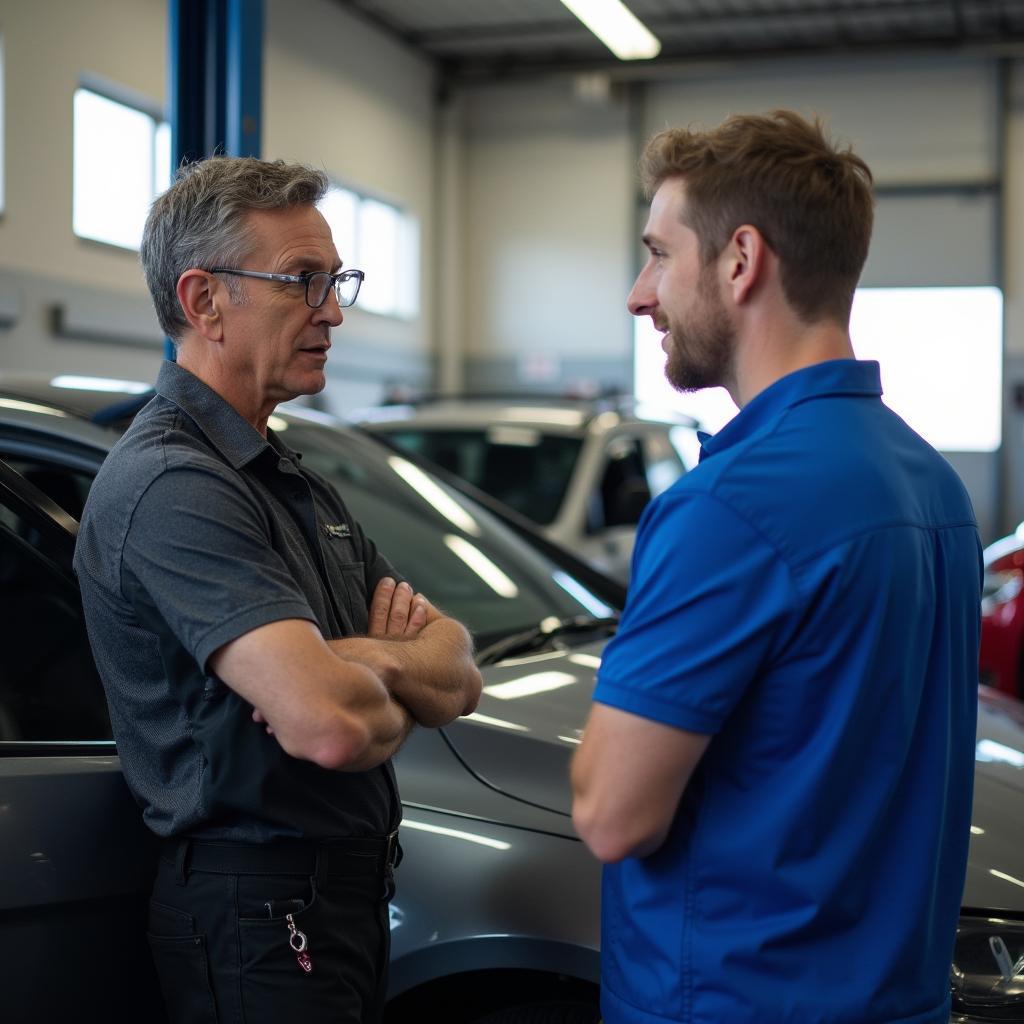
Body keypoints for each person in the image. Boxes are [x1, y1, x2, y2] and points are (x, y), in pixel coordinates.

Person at [570, 110, 981, 1024]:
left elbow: (611, 813)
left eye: (658, 255)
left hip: (730, 998)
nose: (641, 294)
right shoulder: (934, 487)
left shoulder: (727, 509)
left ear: (740, 260)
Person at [73, 156, 482, 1024]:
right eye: (302, 281)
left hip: (329, 901)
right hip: (256, 911)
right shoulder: (173, 486)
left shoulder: (283, 476)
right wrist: (383, 670)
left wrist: (362, 657)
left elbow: (458, 672)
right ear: (204, 300)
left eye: (336, 282)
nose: (332, 311)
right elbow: (331, 727)